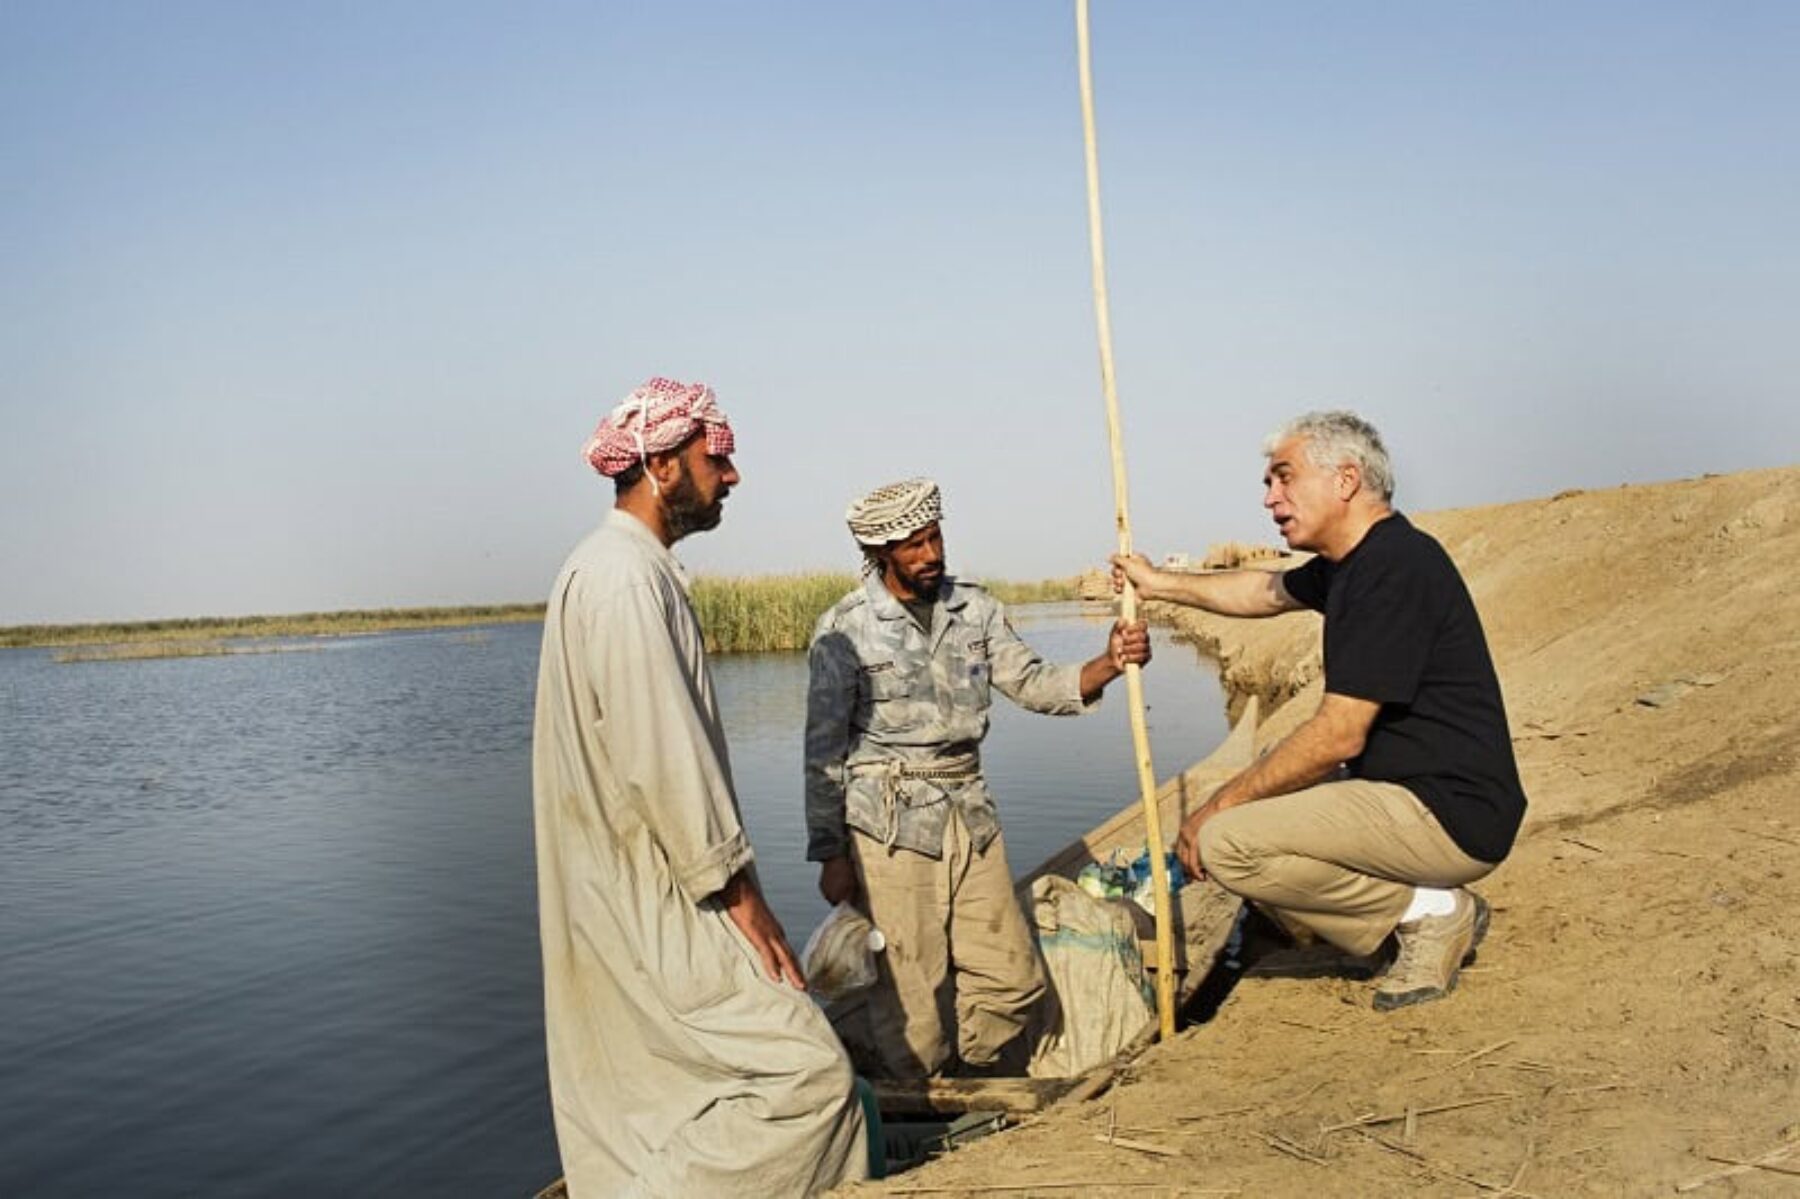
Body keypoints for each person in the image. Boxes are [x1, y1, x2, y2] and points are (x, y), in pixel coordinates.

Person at [532, 378, 867, 1197]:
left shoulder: (624, 569)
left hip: (644, 880)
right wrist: (736, 889)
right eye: (717, 455)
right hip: (662, 888)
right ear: (663, 466)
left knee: (671, 1085)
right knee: (811, 1074)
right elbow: (661, 752)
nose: (733, 474)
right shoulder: (620, 579)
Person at [1112, 411, 1527, 1010]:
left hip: (1449, 814)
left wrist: (1216, 806)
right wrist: (1158, 584)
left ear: (1346, 480)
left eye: (1283, 478)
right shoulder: (1352, 565)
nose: (1269, 498)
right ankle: (1401, 908)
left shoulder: (1393, 568)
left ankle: (1432, 912)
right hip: (1407, 798)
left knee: (1229, 841)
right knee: (1265, 785)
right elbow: (1262, 591)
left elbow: (1338, 736)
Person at [804, 478, 1151, 1079]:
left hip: (969, 812)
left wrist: (1109, 663)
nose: (931, 554)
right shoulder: (845, 630)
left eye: (934, 537)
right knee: (910, 988)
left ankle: (976, 1069)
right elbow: (823, 755)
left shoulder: (976, 610)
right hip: (887, 827)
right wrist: (830, 853)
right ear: (882, 553)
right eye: (913, 546)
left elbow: (1035, 683)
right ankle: (928, 1093)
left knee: (1012, 975)